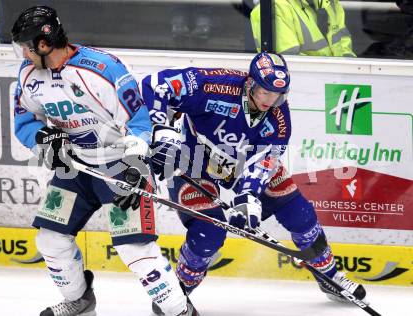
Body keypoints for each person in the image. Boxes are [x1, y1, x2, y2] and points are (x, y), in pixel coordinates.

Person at [140, 52, 366, 314]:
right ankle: (175, 294)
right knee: (208, 235)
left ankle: (330, 277)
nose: (270, 101)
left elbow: (266, 161)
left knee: (299, 213)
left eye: (277, 96)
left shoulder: (279, 118)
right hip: (193, 162)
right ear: (250, 83)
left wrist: (248, 196)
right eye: (265, 93)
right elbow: (155, 83)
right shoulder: (214, 85)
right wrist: (160, 130)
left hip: (241, 166)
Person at [11, 5, 198, 316]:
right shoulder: (29, 74)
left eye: (27, 48)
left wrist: (137, 165)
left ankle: (180, 311)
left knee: (135, 250)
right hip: (75, 169)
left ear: (43, 45)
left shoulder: (103, 68)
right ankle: (80, 302)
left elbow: (139, 122)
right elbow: (24, 123)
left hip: (120, 168)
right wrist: (43, 139)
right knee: (51, 241)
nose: (24, 55)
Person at [250, 0, 355, 56]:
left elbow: (343, 42)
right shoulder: (275, 7)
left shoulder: (330, 2)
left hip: (337, 82)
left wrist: (351, 71)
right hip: (310, 85)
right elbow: (290, 63)